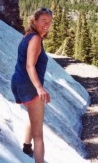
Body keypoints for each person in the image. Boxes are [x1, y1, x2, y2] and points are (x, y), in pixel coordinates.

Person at [11, 8, 53, 163]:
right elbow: (30, 66)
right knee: (39, 136)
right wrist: (39, 88)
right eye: (43, 21)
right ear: (35, 21)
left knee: (34, 113)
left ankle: (27, 147)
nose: (47, 25)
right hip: (29, 85)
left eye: (49, 21)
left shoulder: (28, 35)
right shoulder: (35, 39)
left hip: (18, 82)